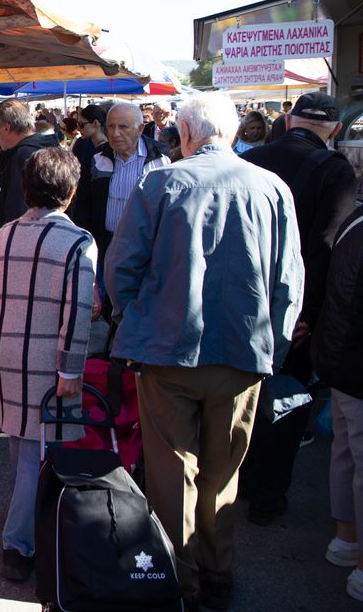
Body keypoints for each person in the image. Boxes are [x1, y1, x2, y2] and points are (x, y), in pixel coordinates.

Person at [106, 93, 304, 611]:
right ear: (232, 134)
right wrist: (275, 345)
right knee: (223, 470)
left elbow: (121, 266)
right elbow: (288, 281)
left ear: (187, 134)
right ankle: (218, 569)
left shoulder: (161, 183)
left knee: (174, 472)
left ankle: (181, 576)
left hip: (168, 350)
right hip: (242, 351)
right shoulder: (271, 188)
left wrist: (136, 316)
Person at [0, 147, 96, 582]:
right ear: (70, 191)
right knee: (36, 452)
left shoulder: (4, 233)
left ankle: (29, 522)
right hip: (47, 358)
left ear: (26, 188)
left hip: (2, 350)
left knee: (23, 444)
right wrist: (71, 369)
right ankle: (20, 542)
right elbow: (78, 312)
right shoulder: (78, 242)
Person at [238, 91, 358, 524]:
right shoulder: (336, 169)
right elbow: (328, 244)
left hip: (242, 297)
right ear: (335, 130)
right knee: (287, 398)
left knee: (242, 390)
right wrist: (308, 313)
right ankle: (267, 497)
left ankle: (241, 478)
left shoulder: (252, 159)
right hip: (296, 304)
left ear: (290, 122)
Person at [311, 201, 363, 606]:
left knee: (348, 453)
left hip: (342, 354)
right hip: (362, 363)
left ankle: (347, 540)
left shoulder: (359, 217)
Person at [70, 102, 168, 294]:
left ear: (140, 129)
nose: (115, 133)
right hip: (105, 244)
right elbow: (83, 203)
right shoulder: (98, 156)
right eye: (111, 127)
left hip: (143, 248)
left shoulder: (160, 157)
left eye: (123, 127)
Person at [0, 99, 61, 247]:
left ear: (7, 128)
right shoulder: (34, 150)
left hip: (15, 245)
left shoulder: (23, 155)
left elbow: (17, 208)